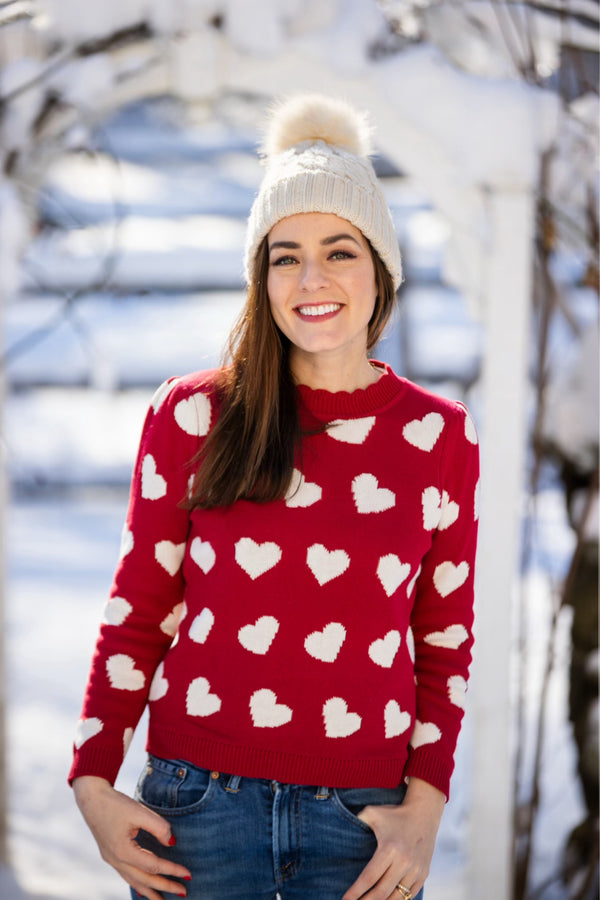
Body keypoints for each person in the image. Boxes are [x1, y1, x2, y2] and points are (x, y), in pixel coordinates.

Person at [70, 93, 480, 900]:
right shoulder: (194, 413)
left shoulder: (438, 436)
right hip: (197, 807)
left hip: (363, 819)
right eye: (285, 256)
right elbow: (140, 607)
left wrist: (425, 808)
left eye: (340, 251)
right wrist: (92, 778)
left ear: (381, 269)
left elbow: (444, 639)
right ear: (261, 277)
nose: (311, 279)